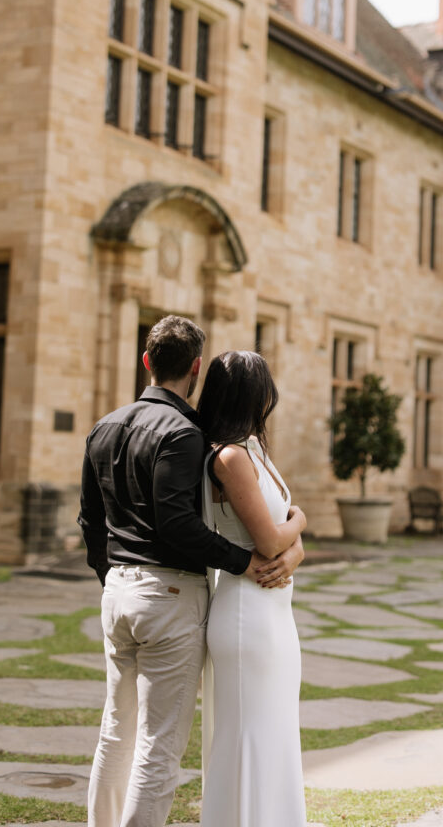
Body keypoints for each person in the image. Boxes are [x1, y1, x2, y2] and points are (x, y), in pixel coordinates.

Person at [78, 316, 302, 827]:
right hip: (168, 594)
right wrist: (246, 561)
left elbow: (91, 522)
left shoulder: (104, 425)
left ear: (146, 361)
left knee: (117, 730)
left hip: (117, 592)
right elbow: (179, 524)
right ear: (196, 368)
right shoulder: (184, 434)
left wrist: (111, 577)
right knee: (159, 744)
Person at [197, 350, 308, 827]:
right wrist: (300, 522)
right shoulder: (229, 457)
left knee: (277, 731)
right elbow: (268, 536)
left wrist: (296, 545)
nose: (268, 400)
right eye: (262, 390)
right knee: (247, 735)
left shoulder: (255, 451)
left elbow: (285, 537)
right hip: (246, 615)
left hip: (276, 612)